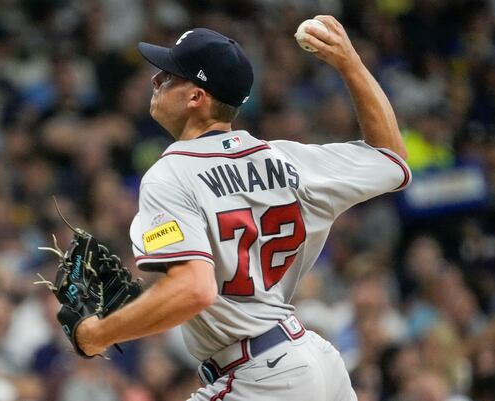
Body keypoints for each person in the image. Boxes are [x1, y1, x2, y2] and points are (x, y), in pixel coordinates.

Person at [75, 15, 411, 401]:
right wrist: (350, 63)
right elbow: (393, 161)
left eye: (168, 75)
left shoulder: (170, 174)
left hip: (260, 377)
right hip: (313, 361)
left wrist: (96, 334)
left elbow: (194, 289)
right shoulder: (288, 160)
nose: (156, 80)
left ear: (196, 97)